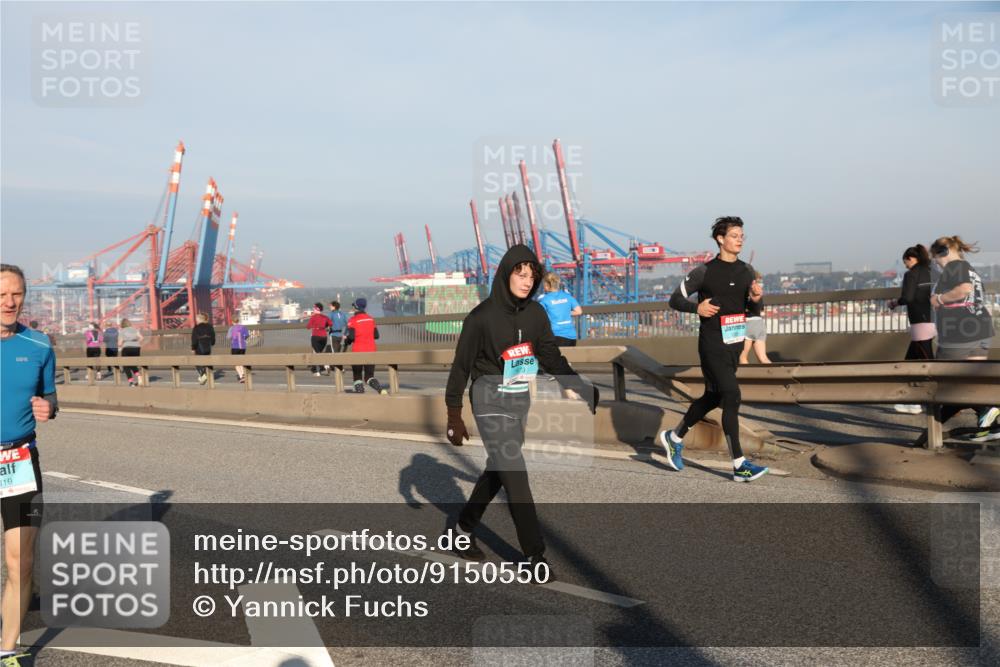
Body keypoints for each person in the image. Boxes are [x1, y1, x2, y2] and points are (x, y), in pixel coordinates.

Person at [444, 245, 599, 579]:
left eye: (532, 275)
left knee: (499, 469)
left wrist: (581, 384)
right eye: (520, 273)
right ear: (506, 273)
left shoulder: (536, 315)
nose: (527, 281)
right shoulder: (481, 316)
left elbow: (550, 356)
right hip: (488, 397)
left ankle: (461, 530)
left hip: (518, 398)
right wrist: (453, 414)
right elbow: (460, 367)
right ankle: (534, 556)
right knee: (515, 471)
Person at [658, 217, 770, 482]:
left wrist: (756, 299)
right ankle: (740, 465)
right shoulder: (704, 272)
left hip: (734, 344)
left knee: (713, 397)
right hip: (711, 343)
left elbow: (754, 311)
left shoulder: (747, 271)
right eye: (734, 235)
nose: (740, 239)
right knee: (731, 395)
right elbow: (674, 299)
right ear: (720, 239)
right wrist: (696, 307)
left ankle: (674, 438)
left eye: (742, 235)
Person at [1, 264, 57, 667]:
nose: (9, 301)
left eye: (16, 293)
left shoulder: (39, 345)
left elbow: (51, 397)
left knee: (20, 559)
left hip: (19, 460)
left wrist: (48, 408)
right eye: (2, 293)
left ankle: (7, 649)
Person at [930, 236, 999, 442]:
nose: (936, 262)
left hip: (960, 333)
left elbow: (964, 290)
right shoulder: (971, 269)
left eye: (936, 257)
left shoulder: (955, 266)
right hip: (980, 330)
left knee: (941, 378)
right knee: (972, 381)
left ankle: (985, 408)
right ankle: (988, 424)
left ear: (944, 252)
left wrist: (939, 299)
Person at [888, 244, 935, 414]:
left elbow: (907, 297)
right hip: (932, 318)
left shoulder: (911, 274)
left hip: (919, 320)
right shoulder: (930, 272)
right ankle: (912, 400)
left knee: (927, 364)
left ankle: (930, 400)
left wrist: (894, 303)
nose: (905, 265)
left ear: (911, 259)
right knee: (911, 361)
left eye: (905, 262)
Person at [345, 298, 386, 394]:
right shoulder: (370, 319)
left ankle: (360, 391)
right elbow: (376, 335)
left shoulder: (353, 320)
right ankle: (380, 389)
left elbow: (351, 336)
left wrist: (347, 341)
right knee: (369, 376)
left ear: (355, 307)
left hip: (358, 351)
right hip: (371, 350)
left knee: (357, 374)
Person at [536, 273, 582, 347]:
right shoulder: (567, 296)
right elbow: (579, 311)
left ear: (547, 285)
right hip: (571, 336)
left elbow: (539, 316)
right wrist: (565, 312)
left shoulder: (545, 299)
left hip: (556, 335)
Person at [739, 273, 771, 365]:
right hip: (759, 323)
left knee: (742, 357)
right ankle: (776, 374)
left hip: (748, 323)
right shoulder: (757, 291)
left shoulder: (746, 291)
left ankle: (747, 377)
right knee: (763, 358)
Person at [306, 303, 332, 376]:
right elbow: (330, 323)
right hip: (324, 337)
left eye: (314, 309)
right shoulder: (325, 317)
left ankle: (319, 371)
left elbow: (308, 327)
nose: (313, 310)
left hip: (316, 336)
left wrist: (312, 322)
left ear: (317, 309)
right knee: (319, 353)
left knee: (317, 354)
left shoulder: (313, 317)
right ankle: (325, 366)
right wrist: (326, 326)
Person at [191, 313, 216, 385]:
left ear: (199, 319)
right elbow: (213, 336)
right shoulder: (210, 326)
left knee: (198, 362)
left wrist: (193, 348)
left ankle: (203, 375)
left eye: (196, 319)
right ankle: (209, 375)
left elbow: (194, 339)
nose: (196, 320)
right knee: (208, 361)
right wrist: (212, 343)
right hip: (208, 347)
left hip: (199, 347)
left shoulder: (196, 328)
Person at [119, 318, 143, 386]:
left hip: (127, 348)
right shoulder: (135, 329)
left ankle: (131, 382)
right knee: (133, 363)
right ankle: (139, 376)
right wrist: (136, 343)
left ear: (122, 324)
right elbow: (141, 338)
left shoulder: (122, 331)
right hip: (136, 348)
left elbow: (119, 343)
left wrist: (122, 344)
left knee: (126, 365)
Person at [227, 313, 250, 383]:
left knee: (236, 363)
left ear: (232, 321)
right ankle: (243, 374)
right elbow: (247, 335)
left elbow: (228, 337)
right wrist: (243, 339)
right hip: (243, 347)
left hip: (235, 347)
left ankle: (241, 376)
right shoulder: (243, 327)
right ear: (238, 320)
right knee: (241, 361)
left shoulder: (231, 328)